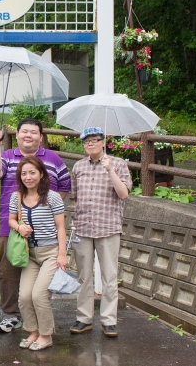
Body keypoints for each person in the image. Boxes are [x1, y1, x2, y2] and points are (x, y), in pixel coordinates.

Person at [0, 118, 71, 333]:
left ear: (40, 137)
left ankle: (36, 318)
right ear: (17, 135)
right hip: (11, 224)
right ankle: (9, 315)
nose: (28, 135)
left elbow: (65, 184)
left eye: (33, 132)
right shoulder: (6, 155)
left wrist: (49, 207)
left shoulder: (52, 158)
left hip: (45, 232)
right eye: (24, 131)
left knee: (38, 278)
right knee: (8, 271)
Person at [70, 127, 131, 338]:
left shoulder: (119, 164)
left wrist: (110, 170)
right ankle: (84, 318)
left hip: (108, 227)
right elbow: (75, 196)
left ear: (103, 142)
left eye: (95, 140)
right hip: (84, 227)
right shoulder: (78, 167)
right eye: (86, 141)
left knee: (109, 276)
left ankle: (109, 320)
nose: (90, 144)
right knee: (84, 276)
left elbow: (123, 194)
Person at [8, 156, 67, 351]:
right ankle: (33, 331)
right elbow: (10, 220)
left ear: (41, 174)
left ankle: (45, 334)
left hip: (50, 252)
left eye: (32, 172)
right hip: (29, 252)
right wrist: (19, 227)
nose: (28, 177)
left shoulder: (52, 197)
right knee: (24, 296)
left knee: (39, 294)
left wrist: (62, 254)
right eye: (24, 173)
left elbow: (60, 227)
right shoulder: (17, 196)